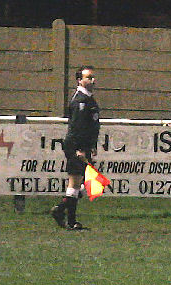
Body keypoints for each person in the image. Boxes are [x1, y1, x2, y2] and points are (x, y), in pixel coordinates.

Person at [50, 66, 100, 231]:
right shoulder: (80, 101)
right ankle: (67, 217)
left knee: (83, 185)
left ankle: (63, 212)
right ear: (79, 80)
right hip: (77, 146)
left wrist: (91, 145)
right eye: (88, 77)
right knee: (81, 183)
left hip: (84, 146)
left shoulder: (88, 99)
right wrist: (79, 149)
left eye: (93, 77)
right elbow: (77, 127)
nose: (92, 80)